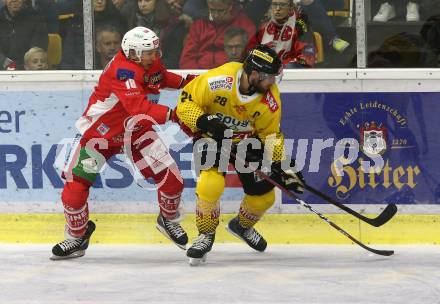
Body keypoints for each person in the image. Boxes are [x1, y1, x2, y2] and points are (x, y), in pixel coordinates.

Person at [51, 26, 196, 260]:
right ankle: (77, 237)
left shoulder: (149, 62)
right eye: (148, 52)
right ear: (132, 52)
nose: (154, 56)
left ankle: (168, 220)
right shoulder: (123, 71)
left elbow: (162, 76)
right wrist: (175, 114)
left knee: (172, 181)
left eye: (155, 50)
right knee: (74, 190)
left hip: (138, 133)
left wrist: (190, 82)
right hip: (101, 136)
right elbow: (138, 107)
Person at [175, 44, 305, 265]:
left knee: (264, 196)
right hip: (213, 137)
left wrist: (282, 165)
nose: (273, 82)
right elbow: (186, 102)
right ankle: (205, 235)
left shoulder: (270, 99)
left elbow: (270, 134)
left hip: (247, 141)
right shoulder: (219, 80)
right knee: (210, 184)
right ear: (254, 73)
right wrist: (203, 120)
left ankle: (241, 226)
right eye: (270, 77)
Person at [179, 0, 255, 69]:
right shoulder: (199, 25)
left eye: (220, 11)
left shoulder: (245, 25)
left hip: (229, 73)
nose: (216, 15)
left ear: (230, 7)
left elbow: (249, 57)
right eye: (212, 10)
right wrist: (196, 75)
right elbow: (187, 58)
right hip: (200, 74)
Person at [247, 0, 316, 68]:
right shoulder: (264, 27)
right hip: (264, 71)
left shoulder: (300, 29)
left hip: (289, 72)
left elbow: (307, 60)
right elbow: (250, 51)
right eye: (275, 5)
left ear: (290, 9)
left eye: (282, 5)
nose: (278, 9)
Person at [0, 0, 48, 70]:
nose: (14, 0)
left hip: (29, 69)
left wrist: (23, 67)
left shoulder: (37, 18)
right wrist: (7, 64)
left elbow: (38, 49)